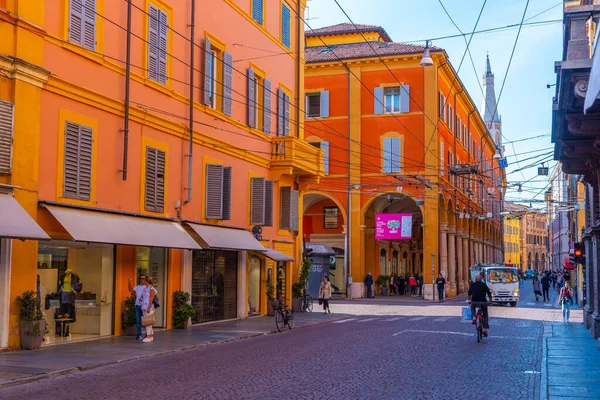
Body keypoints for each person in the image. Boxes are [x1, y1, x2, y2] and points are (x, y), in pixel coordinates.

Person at [128, 275, 148, 340]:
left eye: (143, 278)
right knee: (138, 321)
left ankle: (147, 334)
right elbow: (130, 290)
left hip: (144, 306)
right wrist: (129, 282)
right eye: (141, 278)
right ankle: (139, 334)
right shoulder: (138, 287)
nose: (142, 279)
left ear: (146, 279)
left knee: (145, 321)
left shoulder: (147, 287)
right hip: (138, 305)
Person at [140, 276, 157, 343]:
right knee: (147, 321)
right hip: (144, 306)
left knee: (148, 323)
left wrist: (149, 308)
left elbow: (151, 299)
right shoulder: (145, 289)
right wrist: (141, 299)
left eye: (144, 280)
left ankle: (149, 336)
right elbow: (144, 297)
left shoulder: (151, 289)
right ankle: (150, 335)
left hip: (149, 307)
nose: (142, 281)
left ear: (147, 281)